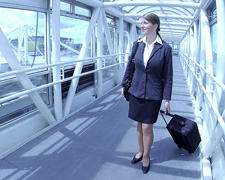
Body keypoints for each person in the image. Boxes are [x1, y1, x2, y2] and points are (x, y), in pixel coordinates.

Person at [121, 12, 173, 174]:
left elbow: (168, 75)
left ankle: (146, 156)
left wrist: (167, 99)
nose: (142, 26)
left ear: (155, 26)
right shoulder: (138, 44)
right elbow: (130, 66)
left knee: (147, 128)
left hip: (153, 94)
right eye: (141, 23)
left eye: (145, 23)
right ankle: (141, 150)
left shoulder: (165, 48)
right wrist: (124, 85)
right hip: (136, 91)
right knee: (138, 124)